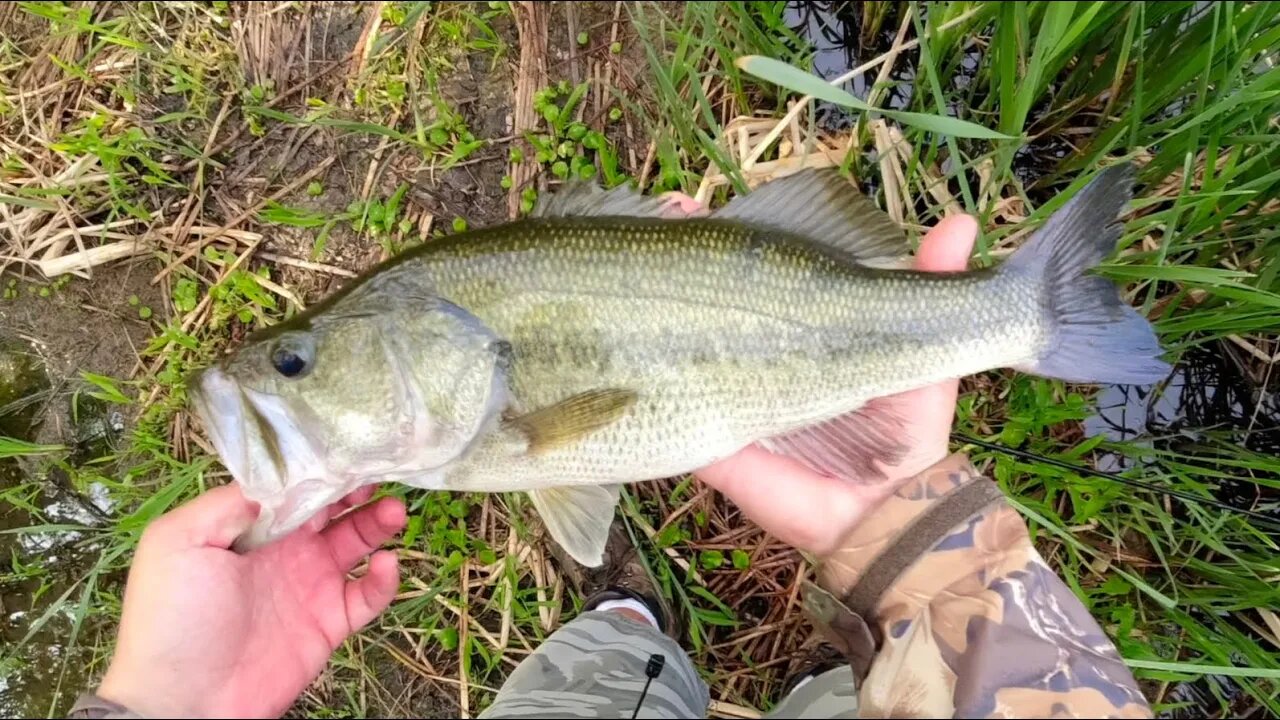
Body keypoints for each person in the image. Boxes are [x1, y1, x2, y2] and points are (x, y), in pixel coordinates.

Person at [69, 213, 1153, 719]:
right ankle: (812, 683)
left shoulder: (495, 408)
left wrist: (168, 702)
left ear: (434, 347)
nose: (280, 377)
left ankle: (622, 633)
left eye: (295, 362)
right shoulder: (488, 414)